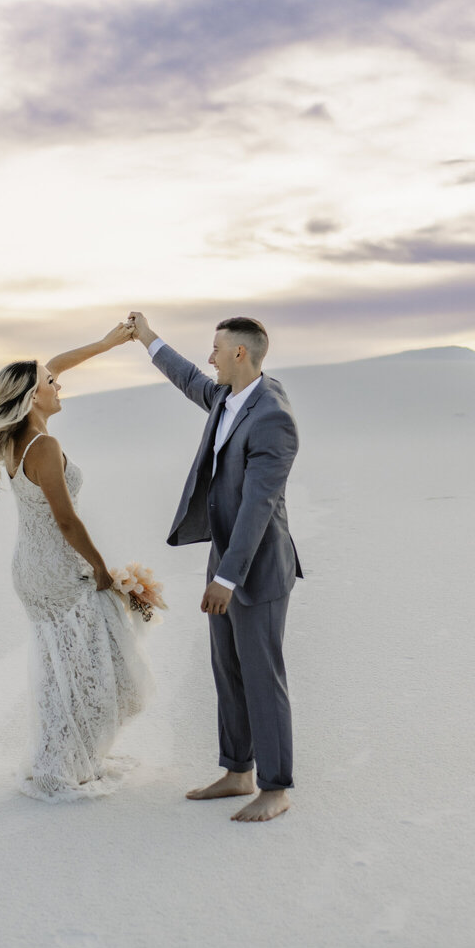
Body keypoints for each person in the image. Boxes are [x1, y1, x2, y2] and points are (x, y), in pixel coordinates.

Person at [0, 321, 152, 801]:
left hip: (30, 570)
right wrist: (101, 568)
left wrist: (107, 344)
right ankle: (62, 764)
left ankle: (63, 756)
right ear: (34, 397)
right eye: (50, 383)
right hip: (58, 569)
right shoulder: (44, 446)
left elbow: (57, 364)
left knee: (61, 670)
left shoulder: (14, 440)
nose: (58, 382)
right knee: (87, 670)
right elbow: (66, 522)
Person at [126, 312, 302, 823]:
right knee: (227, 668)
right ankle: (237, 770)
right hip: (222, 558)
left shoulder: (273, 417)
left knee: (262, 675)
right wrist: (147, 338)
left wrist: (227, 578)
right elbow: (189, 380)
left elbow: (258, 505)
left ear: (239, 354)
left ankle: (275, 787)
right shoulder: (228, 397)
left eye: (216, 349)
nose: (210, 358)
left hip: (256, 568)